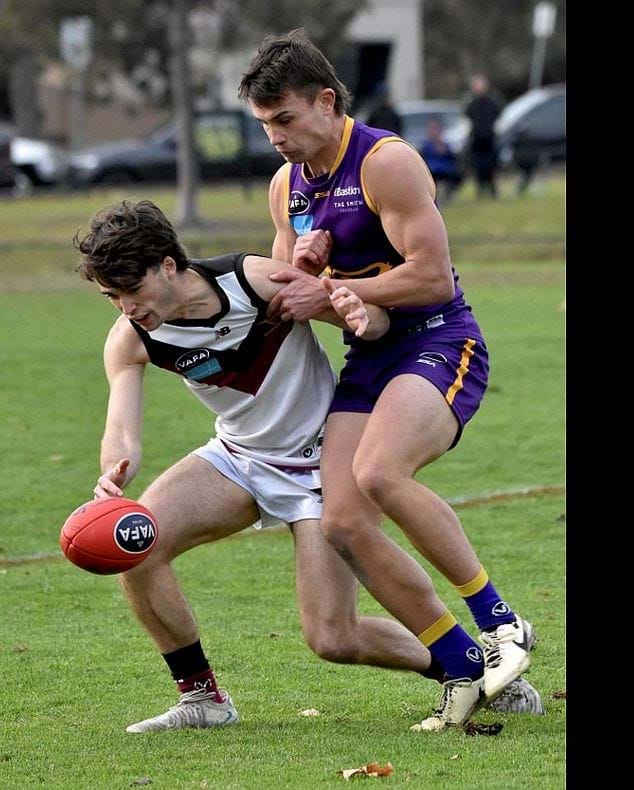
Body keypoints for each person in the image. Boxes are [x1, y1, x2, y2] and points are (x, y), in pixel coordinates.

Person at [75, 200, 542, 734]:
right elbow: (122, 429)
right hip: (239, 458)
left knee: (333, 639)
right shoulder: (132, 337)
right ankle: (203, 698)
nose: (126, 307)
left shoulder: (253, 281)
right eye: (112, 296)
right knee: (136, 543)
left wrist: (360, 318)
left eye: (132, 291)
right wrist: (115, 472)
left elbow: (374, 326)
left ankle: (473, 671)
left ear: (167, 265)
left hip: (325, 462)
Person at [237, 30, 535, 725]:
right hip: (369, 358)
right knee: (340, 521)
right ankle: (464, 665)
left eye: (284, 119)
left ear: (326, 101)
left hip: (438, 341)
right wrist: (305, 273)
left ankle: (502, 623)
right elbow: (291, 297)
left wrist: (335, 285)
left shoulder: (386, 163)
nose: (275, 137)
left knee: (379, 474)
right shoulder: (286, 188)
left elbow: (431, 278)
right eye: (264, 125)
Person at [464, 73, 501, 198]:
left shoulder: (492, 102)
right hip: (477, 139)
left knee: (491, 165)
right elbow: (467, 116)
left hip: (489, 138)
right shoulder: (472, 103)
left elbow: (497, 115)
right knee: (479, 165)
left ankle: (492, 190)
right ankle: (480, 189)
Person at [418, 118, 462, 205]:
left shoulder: (444, 144)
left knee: (456, 174)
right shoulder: (426, 145)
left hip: (445, 169)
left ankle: (449, 194)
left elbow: (452, 158)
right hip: (431, 170)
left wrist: (445, 151)